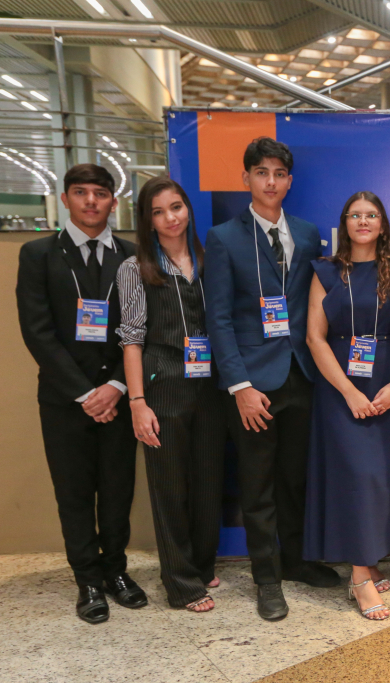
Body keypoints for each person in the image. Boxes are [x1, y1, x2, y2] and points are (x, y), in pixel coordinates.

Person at [205, 137, 339, 621]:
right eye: (261, 172)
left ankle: (296, 561)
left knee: (295, 479)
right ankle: (266, 578)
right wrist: (240, 387)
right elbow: (218, 319)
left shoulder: (305, 233)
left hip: (300, 374)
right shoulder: (223, 238)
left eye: (279, 173)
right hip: (252, 386)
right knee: (258, 484)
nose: (271, 181)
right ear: (246, 178)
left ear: (289, 180)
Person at [16, 164, 145, 623]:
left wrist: (115, 387)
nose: (91, 201)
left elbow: (139, 328)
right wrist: (85, 393)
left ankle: (115, 571)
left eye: (100, 193)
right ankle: (87, 579)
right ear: (66, 198)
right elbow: (37, 332)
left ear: (113, 201)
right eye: (81, 192)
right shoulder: (38, 254)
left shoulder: (133, 256)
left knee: (117, 490)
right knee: (73, 493)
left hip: (119, 396)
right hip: (65, 400)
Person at [304, 191, 390, 621]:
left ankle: (369, 558)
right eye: (354, 215)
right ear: (344, 223)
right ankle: (360, 577)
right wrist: (348, 392)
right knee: (357, 476)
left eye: (371, 215)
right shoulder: (324, 271)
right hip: (340, 387)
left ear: (382, 224)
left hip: (387, 382)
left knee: (383, 477)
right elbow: (314, 338)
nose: (362, 221)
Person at [116, 176, 226, 613]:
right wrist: (137, 402)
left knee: (208, 481)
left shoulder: (209, 260)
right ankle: (181, 584)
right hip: (163, 381)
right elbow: (131, 339)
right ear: (147, 220)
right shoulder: (134, 268)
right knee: (169, 486)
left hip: (210, 382)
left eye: (176, 207)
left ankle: (201, 564)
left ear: (188, 209)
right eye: (158, 212)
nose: (170, 218)